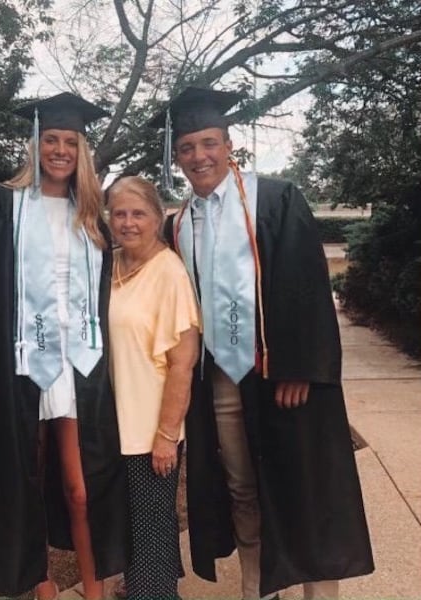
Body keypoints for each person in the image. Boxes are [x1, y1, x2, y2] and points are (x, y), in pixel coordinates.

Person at [148, 87, 374, 599]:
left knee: (304, 487)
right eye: (187, 148)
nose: (199, 156)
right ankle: (257, 587)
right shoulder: (177, 223)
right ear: (177, 157)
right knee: (241, 487)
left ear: (229, 145)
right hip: (221, 380)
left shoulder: (274, 199)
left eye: (209, 143)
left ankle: (320, 593)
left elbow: (306, 285)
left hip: (280, 376)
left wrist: (301, 368)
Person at [0, 93, 128, 600]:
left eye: (70, 142)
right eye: (51, 140)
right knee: (25, 480)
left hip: (79, 365)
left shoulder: (92, 217)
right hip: (16, 361)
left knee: (81, 488)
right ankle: (42, 590)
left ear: (82, 151)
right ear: (35, 144)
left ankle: (94, 590)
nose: (60, 150)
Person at [106, 176, 200, 600]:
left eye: (138, 213)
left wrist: (166, 435)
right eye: (119, 213)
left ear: (158, 217)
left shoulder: (169, 273)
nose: (128, 223)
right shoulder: (110, 265)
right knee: (135, 528)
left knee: (150, 530)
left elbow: (183, 362)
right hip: (114, 423)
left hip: (150, 430)